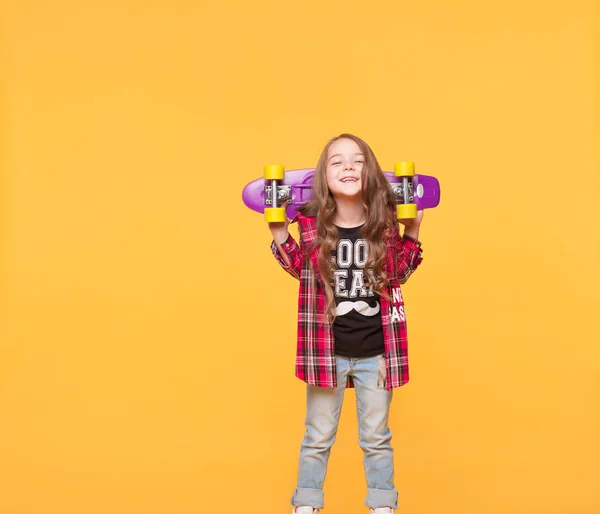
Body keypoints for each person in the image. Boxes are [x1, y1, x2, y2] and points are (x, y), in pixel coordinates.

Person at [269, 133, 424, 514]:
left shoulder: (386, 225)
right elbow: (296, 268)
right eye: (337, 162)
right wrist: (277, 233)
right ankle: (306, 505)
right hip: (326, 352)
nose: (348, 166)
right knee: (317, 437)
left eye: (357, 160)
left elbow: (399, 273)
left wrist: (413, 231)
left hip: (377, 352)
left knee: (376, 437)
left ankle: (382, 506)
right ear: (323, 178)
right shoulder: (309, 227)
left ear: (370, 173)